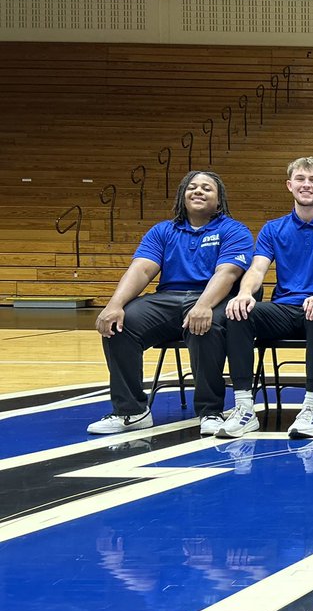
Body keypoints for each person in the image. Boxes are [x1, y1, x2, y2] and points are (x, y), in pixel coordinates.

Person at [88, 170, 252, 437]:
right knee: (120, 324)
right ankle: (131, 411)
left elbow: (228, 273)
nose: (198, 191)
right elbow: (141, 270)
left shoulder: (234, 230)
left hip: (211, 297)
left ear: (219, 200)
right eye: (192, 187)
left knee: (205, 326)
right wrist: (114, 305)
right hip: (168, 299)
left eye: (207, 188)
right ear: (182, 196)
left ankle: (210, 411)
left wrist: (203, 305)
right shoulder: (163, 231)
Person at [216, 157, 313, 439]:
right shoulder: (273, 228)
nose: (306, 185)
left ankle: (312, 409)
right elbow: (257, 268)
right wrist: (244, 294)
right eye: (301, 179)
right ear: (289, 185)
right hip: (284, 308)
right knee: (238, 312)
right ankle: (244, 408)